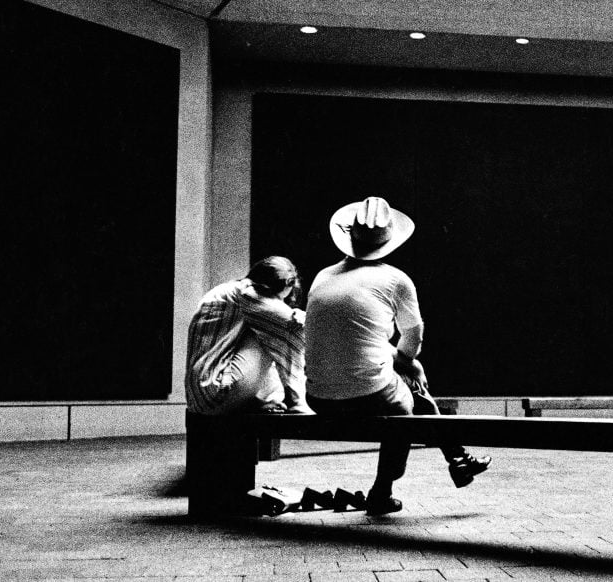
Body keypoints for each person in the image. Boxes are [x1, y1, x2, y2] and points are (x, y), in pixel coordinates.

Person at [304, 196, 491, 516]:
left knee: (406, 390)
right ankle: (384, 491)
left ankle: (457, 458)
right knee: (406, 406)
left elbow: (345, 337)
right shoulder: (394, 279)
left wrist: (402, 362)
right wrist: (409, 362)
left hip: (317, 396)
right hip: (365, 395)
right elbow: (414, 333)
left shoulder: (323, 277)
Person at [185, 256, 313, 416]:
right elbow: (296, 328)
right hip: (217, 393)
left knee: (268, 327)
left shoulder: (231, 289)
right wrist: (301, 317)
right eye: (283, 295)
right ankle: (297, 401)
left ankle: (269, 400)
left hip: (200, 396)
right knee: (282, 331)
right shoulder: (249, 293)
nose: (284, 300)